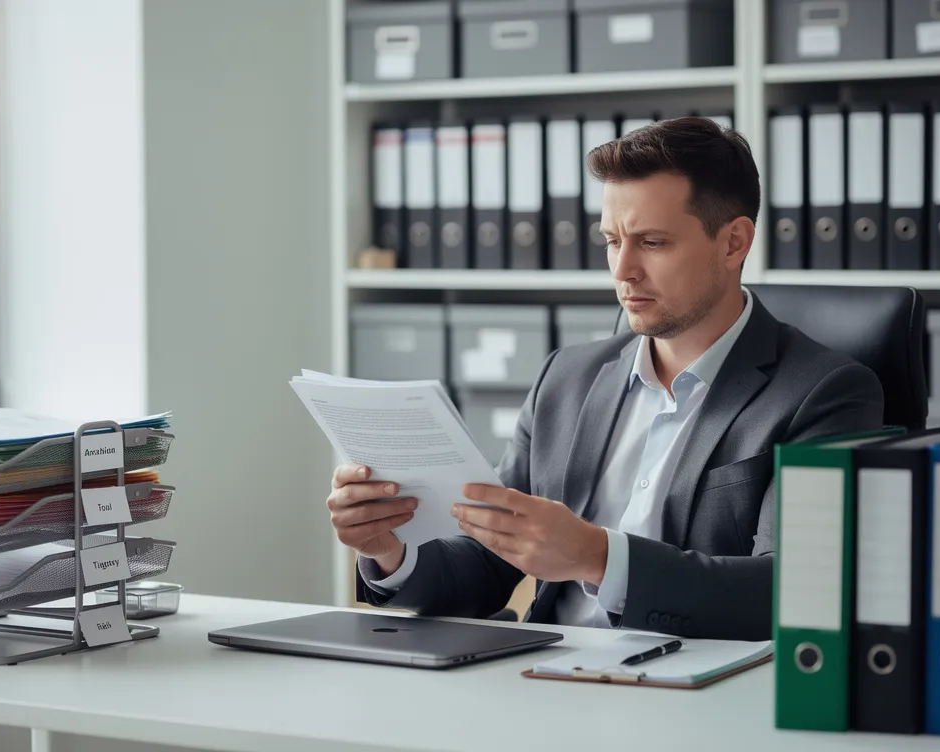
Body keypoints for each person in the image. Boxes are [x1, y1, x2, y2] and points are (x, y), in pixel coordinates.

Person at [326, 117, 884, 641]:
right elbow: (493, 559)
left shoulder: (826, 392)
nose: (621, 271)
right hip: (546, 683)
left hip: (699, 697)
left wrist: (596, 556)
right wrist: (390, 552)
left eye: (653, 242)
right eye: (613, 241)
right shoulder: (566, 377)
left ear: (734, 241)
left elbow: (789, 591)